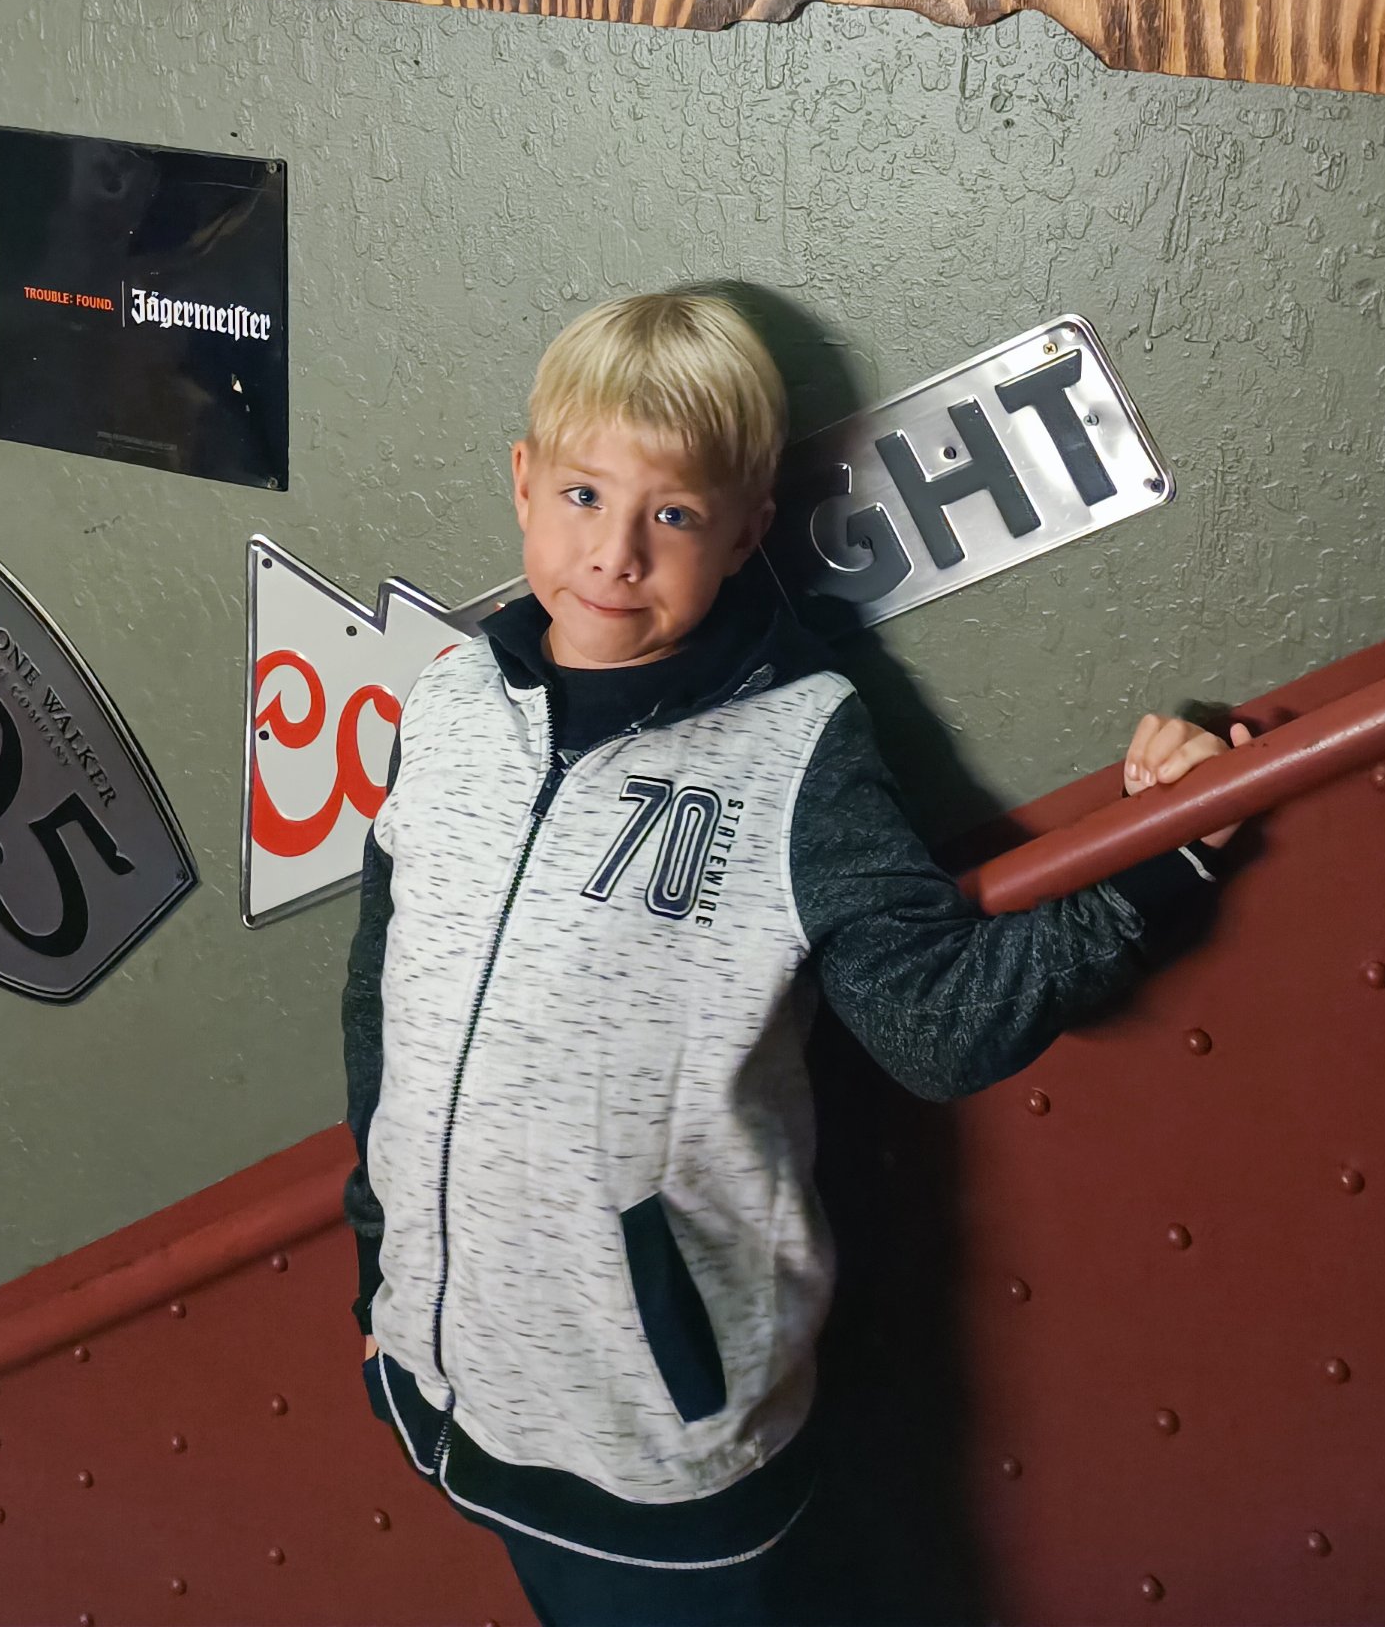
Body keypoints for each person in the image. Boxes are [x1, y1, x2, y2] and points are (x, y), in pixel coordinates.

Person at [342, 291, 1248, 1627]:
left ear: (745, 531)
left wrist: (1167, 855)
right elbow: (382, 1005)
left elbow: (936, 1023)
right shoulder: (449, 701)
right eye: (584, 495)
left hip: (666, 1449)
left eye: (673, 515)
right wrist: (379, 1268)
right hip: (449, 1388)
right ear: (523, 482)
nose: (614, 555)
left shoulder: (798, 747)